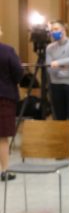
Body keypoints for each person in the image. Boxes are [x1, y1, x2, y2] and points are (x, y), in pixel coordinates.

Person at [45, 20, 69, 161]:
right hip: (57, 83)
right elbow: (49, 66)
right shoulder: (50, 48)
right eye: (52, 29)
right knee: (59, 117)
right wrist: (61, 68)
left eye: (57, 29)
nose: (54, 32)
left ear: (64, 30)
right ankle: (62, 150)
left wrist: (59, 64)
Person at [0, 27, 23, 186]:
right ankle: (5, 170)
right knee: (2, 136)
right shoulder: (7, 51)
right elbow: (19, 73)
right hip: (5, 97)